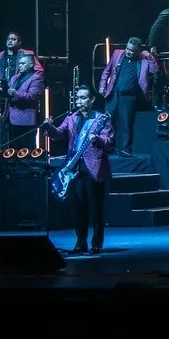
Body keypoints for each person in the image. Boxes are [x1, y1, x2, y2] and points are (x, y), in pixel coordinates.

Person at [42, 84, 114, 255]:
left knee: (96, 208)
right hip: (76, 167)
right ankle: (80, 243)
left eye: (83, 98)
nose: (79, 101)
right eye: (78, 97)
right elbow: (59, 133)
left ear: (92, 100)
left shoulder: (100, 118)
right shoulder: (71, 117)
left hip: (94, 167)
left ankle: (97, 243)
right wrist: (48, 127)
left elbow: (110, 141)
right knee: (79, 207)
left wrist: (97, 140)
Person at [99, 37, 158, 156]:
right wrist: (102, 85)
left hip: (129, 97)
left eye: (132, 50)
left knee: (125, 123)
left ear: (138, 51)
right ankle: (107, 146)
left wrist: (149, 56)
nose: (128, 52)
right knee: (106, 121)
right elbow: (107, 70)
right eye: (127, 48)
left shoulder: (143, 60)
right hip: (113, 94)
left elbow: (155, 70)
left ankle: (124, 149)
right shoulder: (117, 54)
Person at [0, 31, 42, 141]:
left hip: (20, 92)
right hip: (3, 95)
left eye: (13, 39)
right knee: (3, 128)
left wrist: (27, 81)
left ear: (19, 42)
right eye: (8, 39)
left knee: (22, 136)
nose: (10, 41)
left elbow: (39, 70)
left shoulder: (26, 54)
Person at [3, 51, 45, 147]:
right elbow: (8, 92)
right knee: (13, 148)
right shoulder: (14, 78)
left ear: (31, 64)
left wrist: (16, 93)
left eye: (23, 63)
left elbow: (33, 96)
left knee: (27, 148)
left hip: (26, 119)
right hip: (12, 118)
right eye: (19, 63)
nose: (20, 66)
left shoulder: (36, 78)